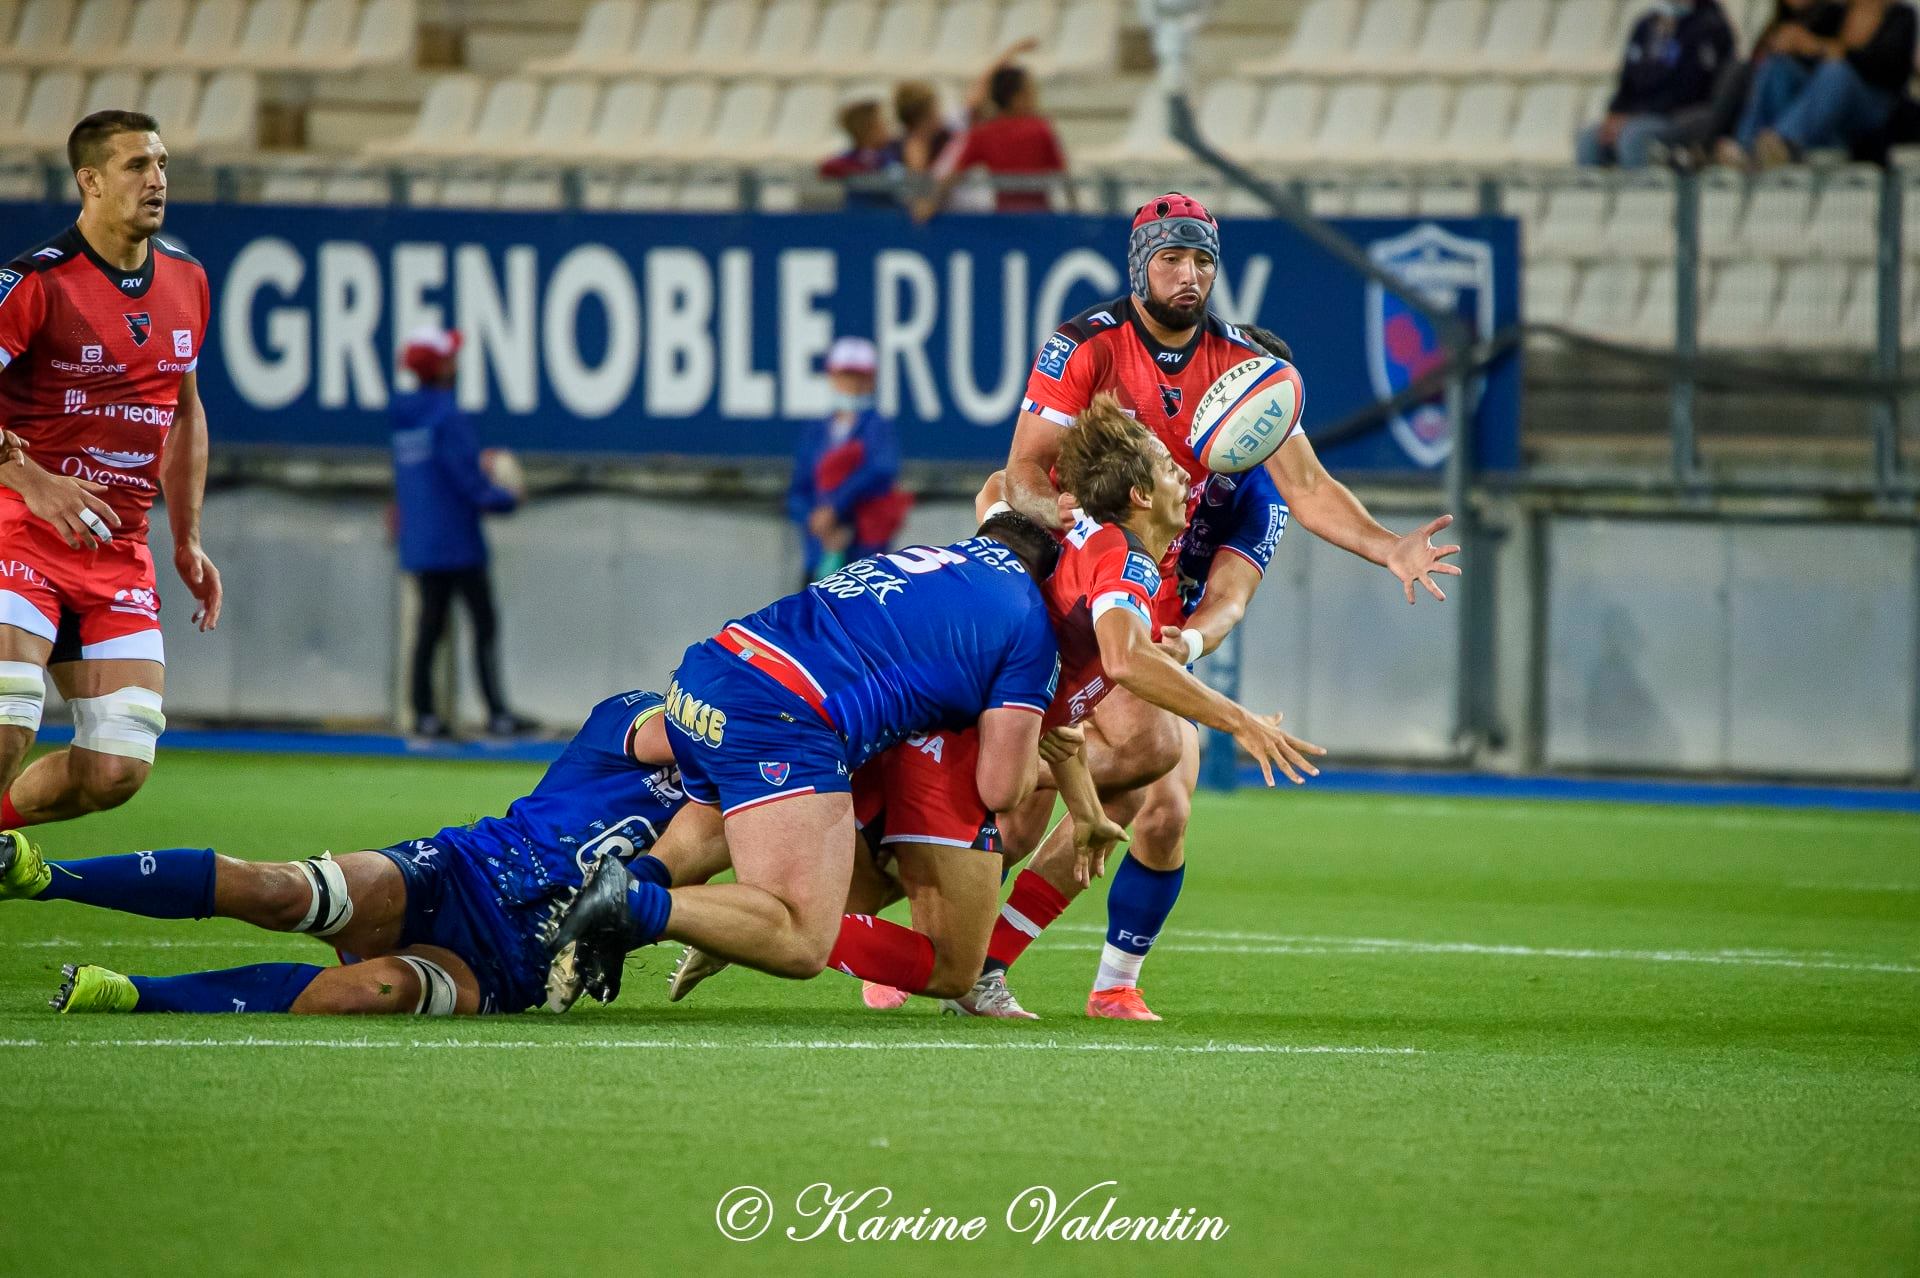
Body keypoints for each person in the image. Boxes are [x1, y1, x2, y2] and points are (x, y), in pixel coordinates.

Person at [667, 397, 1318, 1014]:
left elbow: (1057, 718)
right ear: (1141, 495)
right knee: (944, 941)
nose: (1185, 481)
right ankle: (745, 924)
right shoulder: (1127, 563)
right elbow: (1118, 663)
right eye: (1171, 471)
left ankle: (737, 920)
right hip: (942, 733)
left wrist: (1086, 812)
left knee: (865, 887)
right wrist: (1238, 720)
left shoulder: (1088, 547)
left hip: (918, 716)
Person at [997, 195, 1460, 1017]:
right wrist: (1078, 530)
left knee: (1156, 799)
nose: (1190, 275)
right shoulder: (1083, 343)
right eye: (1173, 259)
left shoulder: (1250, 378)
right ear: (1141, 263)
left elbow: (1302, 501)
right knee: (1079, 792)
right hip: (1069, 586)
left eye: (1203, 260)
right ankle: (950, 935)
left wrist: (1389, 546)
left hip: (1150, 614)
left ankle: (1094, 982)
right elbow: (1022, 473)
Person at [540, 512, 1073, 1011]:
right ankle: (632, 907)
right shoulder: (1027, 614)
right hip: (785, 713)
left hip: (709, 673)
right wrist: (1056, 770)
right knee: (801, 936)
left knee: (712, 825)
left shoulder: (921, 559)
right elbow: (1002, 789)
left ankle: (609, 912)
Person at [4, 690, 688, 1015]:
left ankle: (135, 996)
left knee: (376, 991)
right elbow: (681, 738)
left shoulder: (732, 803)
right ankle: (46, 876)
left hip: (518, 965)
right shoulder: (632, 713)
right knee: (282, 893)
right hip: (459, 873)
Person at [0, 110, 221, 831]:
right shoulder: (36, 284)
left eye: (161, 164)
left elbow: (183, 411)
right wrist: (31, 478)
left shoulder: (187, 279)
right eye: (136, 166)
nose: (156, 180)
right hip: (19, 530)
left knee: (116, 766)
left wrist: (185, 538)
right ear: (89, 181)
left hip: (115, 550)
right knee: (8, 713)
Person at [390, 326, 529, 739]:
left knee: (428, 629)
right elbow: (468, 485)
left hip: (420, 541)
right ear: (442, 365)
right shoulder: (448, 416)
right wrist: (509, 497)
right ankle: (496, 713)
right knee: (483, 624)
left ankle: (424, 714)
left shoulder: (403, 414)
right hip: (458, 543)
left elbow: (427, 474)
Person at [1724, 0, 1917, 166]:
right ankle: (1745, 144)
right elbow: (1810, 54)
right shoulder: (1837, 12)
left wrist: (1826, 49)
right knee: (1778, 67)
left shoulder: (1901, 17)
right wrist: (1793, 43)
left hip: (1874, 109)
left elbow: (1887, 69)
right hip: (1828, 110)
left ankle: (1785, 141)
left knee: (1837, 73)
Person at [785, 336, 911, 585]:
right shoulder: (817, 431)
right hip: (819, 556)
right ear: (832, 377)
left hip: (864, 557)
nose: (851, 385)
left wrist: (837, 511)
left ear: (870, 380)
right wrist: (815, 521)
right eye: (845, 376)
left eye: (858, 377)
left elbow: (880, 473)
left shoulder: (878, 428)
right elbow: (798, 491)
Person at [1577, 0, 1738, 168]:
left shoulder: (1710, 27)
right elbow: (1628, 81)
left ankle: (1642, 193)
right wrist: (1614, 114)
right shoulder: (1647, 24)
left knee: (1633, 137)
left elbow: (1690, 90)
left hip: (1680, 116)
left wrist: (1633, 117)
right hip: (1638, 115)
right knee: (1590, 138)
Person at [913, 63, 1069, 220]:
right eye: (1030, 92)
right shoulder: (1040, 129)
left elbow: (953, 175)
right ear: (1016, 98)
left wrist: (928, 204)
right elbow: (1064, 175)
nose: (1035, 97)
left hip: (1004, 220)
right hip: (1040, 220)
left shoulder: (983, 133)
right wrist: (1075, 215)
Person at [819, 99, 899, 210]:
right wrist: (862, 169)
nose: (888, 127)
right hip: (860, 217)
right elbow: (827, 168)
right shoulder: (849, 158)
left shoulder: (894, 154)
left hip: (891, 216)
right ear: (869, 129)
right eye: (883, 123)